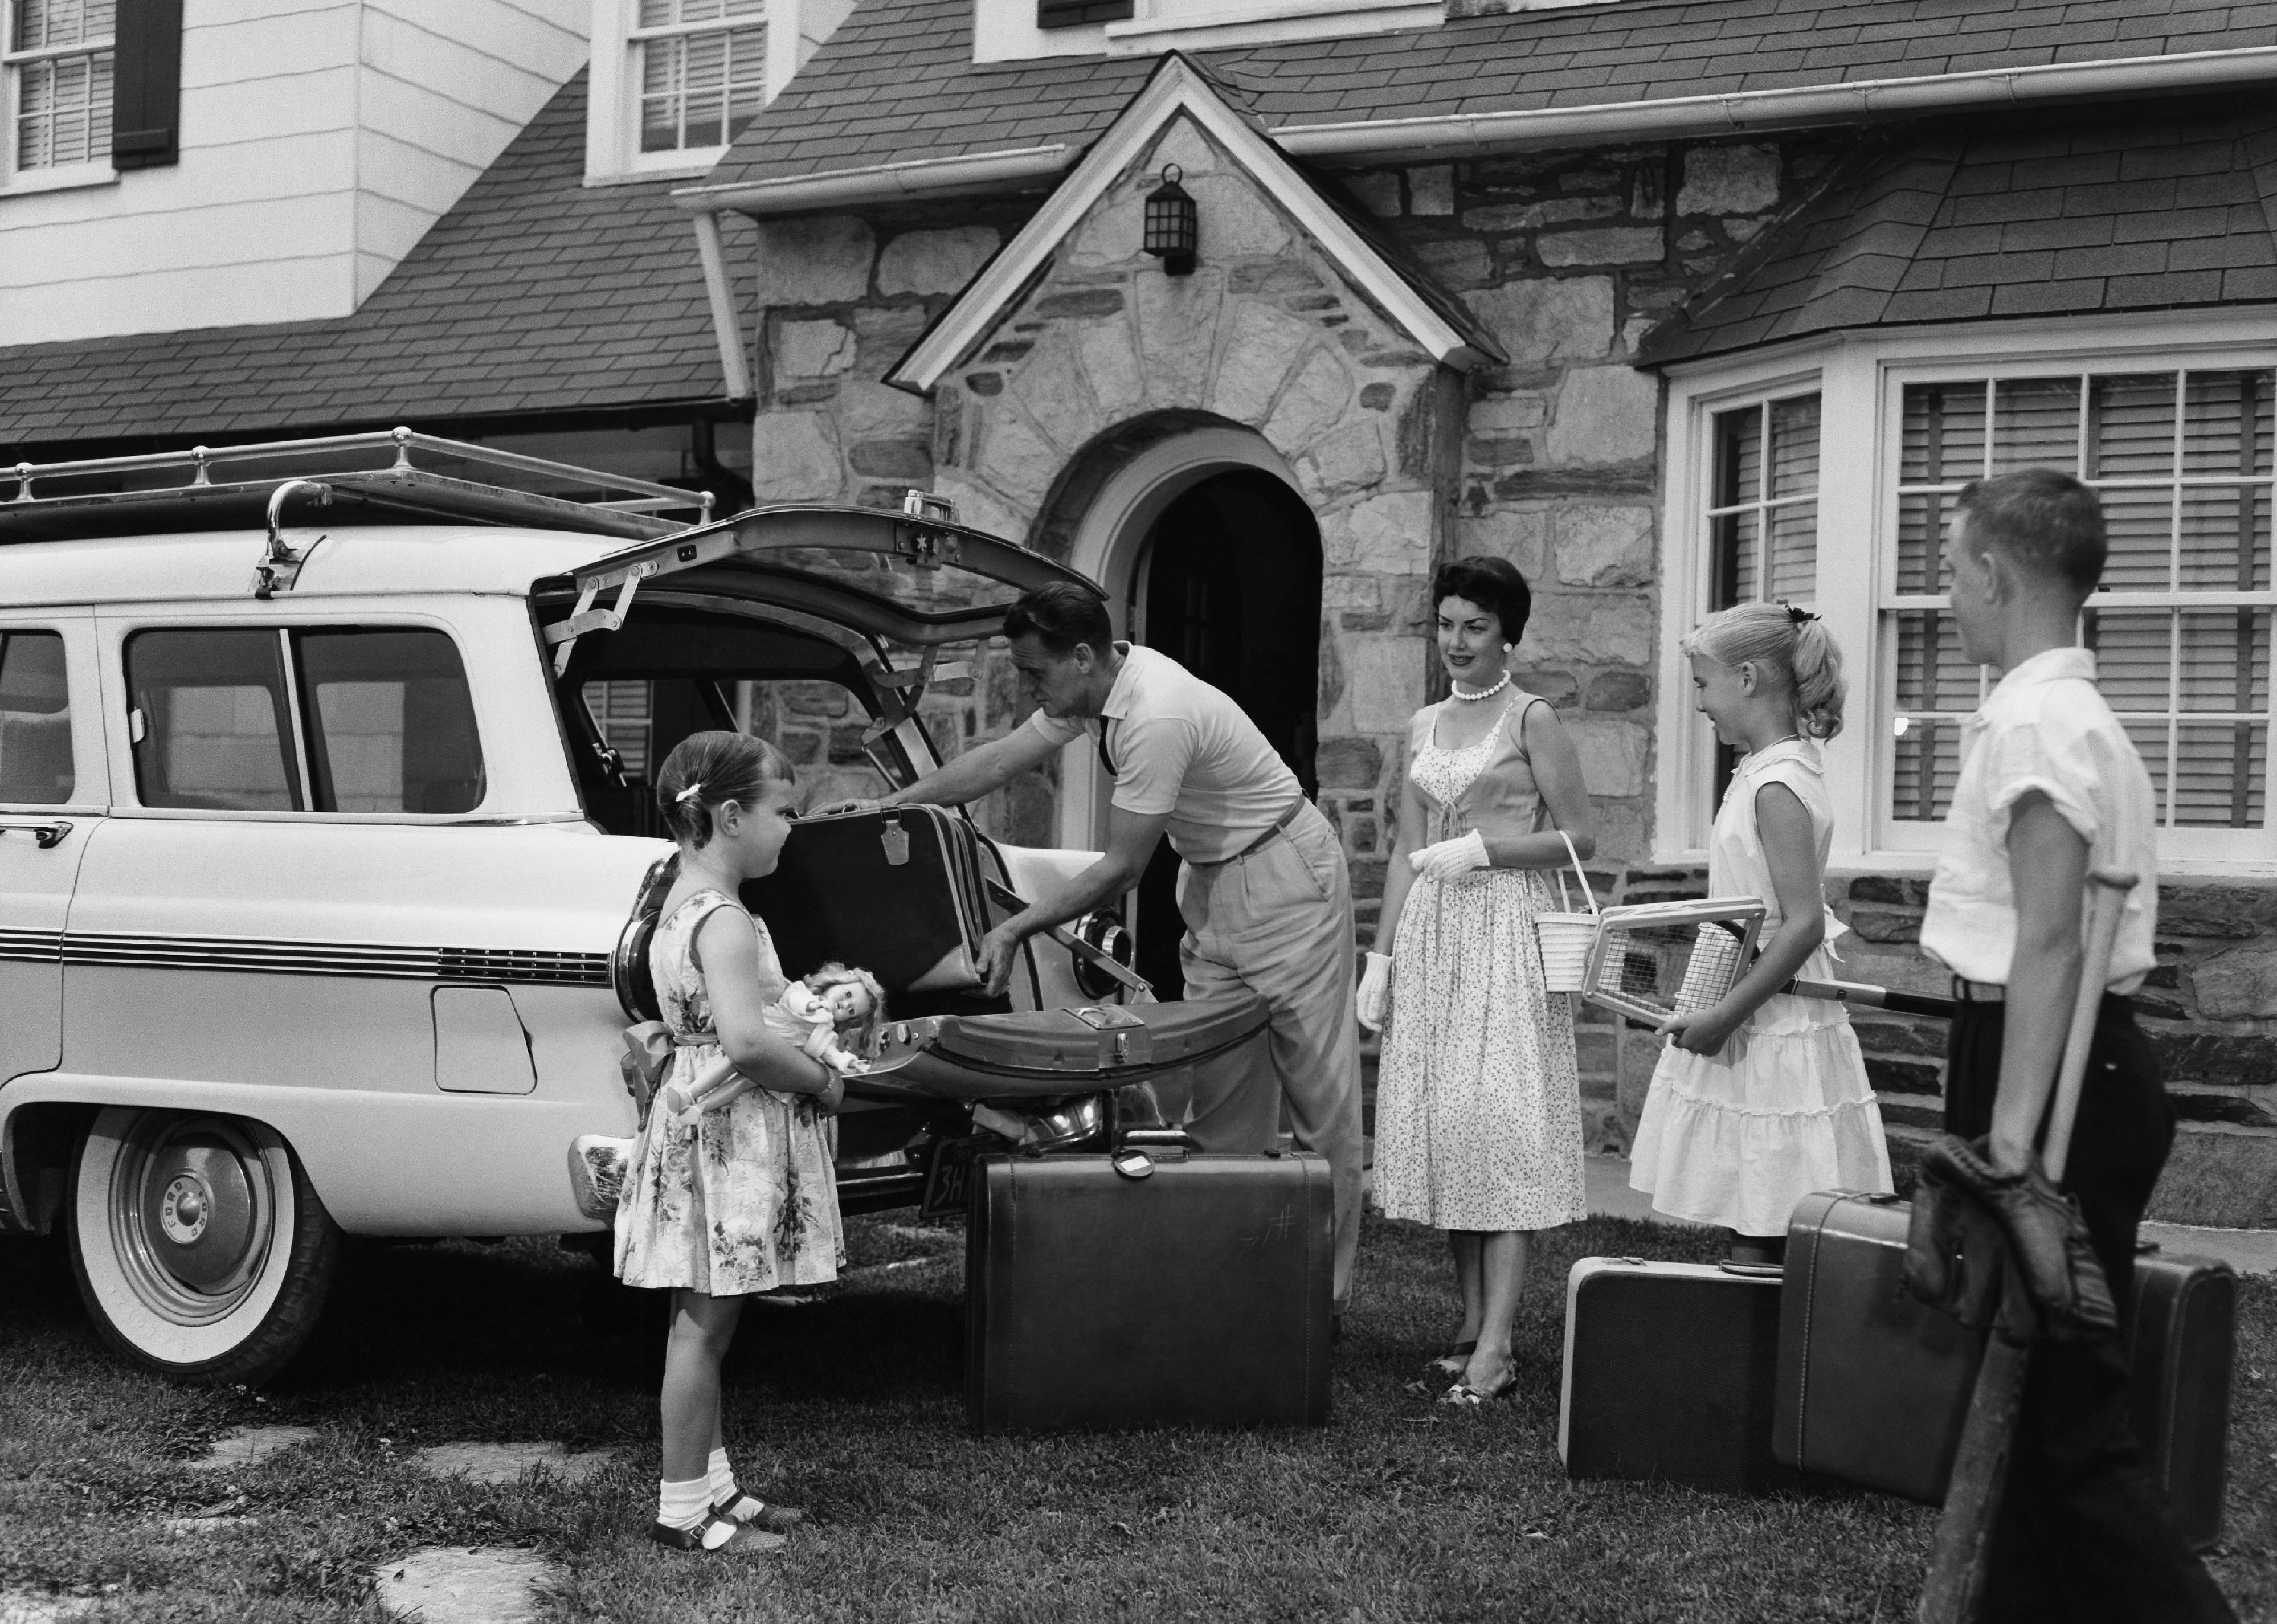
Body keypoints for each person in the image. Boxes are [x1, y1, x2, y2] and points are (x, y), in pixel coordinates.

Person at [865, 582, 1366, 1322]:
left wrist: (1011, 928)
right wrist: (888, 808)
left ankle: (1321, 1304)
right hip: (1214, 880)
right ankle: (1231, 1292)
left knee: (1320, 1101)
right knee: (1223, 1097)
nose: (1031, 688)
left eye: (1036, 673)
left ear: (1082, 655)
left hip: (1284, 875)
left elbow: (1120, 868)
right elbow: (1001, 757)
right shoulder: (1095, 692)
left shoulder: (1155, 712)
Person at [1918, 469, 2233, 1622]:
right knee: (2027, 1437)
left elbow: (2051, 935)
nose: (1946, 597)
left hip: (2053, 1079)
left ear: (1996, 575)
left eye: (1952, 572)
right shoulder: (2049, 710)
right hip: (2050, 1059)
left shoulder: (2045, 721)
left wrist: (2010, 1154)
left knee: (2068, 1433)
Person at [1356, 557, 1597, 1406]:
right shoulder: (1422, 723)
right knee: (1452, 1125)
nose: (1456, 642)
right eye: (1447, 623)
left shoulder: (1533, 717)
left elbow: (1582, 839)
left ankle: (1498, 1347)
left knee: (1498, 1125)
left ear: (1508, 635)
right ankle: (1469, 1327)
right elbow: (1402, 849)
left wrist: (1489, 847)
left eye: (1475, 627)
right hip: (1433, 931)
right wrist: (1379, 957)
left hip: (1505, 928)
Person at [614, 731, 847, 1556]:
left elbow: (743, 1016)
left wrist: (820, 1007)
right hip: (727, 1136)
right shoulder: (727, 921)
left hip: (698, 1129)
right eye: (785, 812)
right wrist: (821, 1079)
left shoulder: (682, 901)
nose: (793, 827)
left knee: (700, 1317)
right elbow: (747, 1043)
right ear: (730, 814)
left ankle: (716, 1485)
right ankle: (683, 1509)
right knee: (704, 1328)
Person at [1628, 601, 1892, 1267]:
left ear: (1747, 678)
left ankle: (1776, 1357)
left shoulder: (1776, 784)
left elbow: (1801, 923)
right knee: (1752, 1203)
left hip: (1771, 1018)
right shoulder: (1763, 770)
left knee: (1771, 1214)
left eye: (1702, 683)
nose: (1698, 703)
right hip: (1749, 997)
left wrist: (1723, 1016)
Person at [657, 962, 887, 1119]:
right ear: (836, 983)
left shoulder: (827, 1029)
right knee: (729, 1065)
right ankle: (689, 1094)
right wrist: (813, 1006)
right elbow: (794, 999)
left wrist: (849, 1062)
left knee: (743, 1082)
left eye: (851, 1011)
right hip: (764, 1040)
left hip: (778, 1061)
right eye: (848, 995)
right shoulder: (803, 994)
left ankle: (698, 1110)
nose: (845, 1005)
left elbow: (830, 1053)